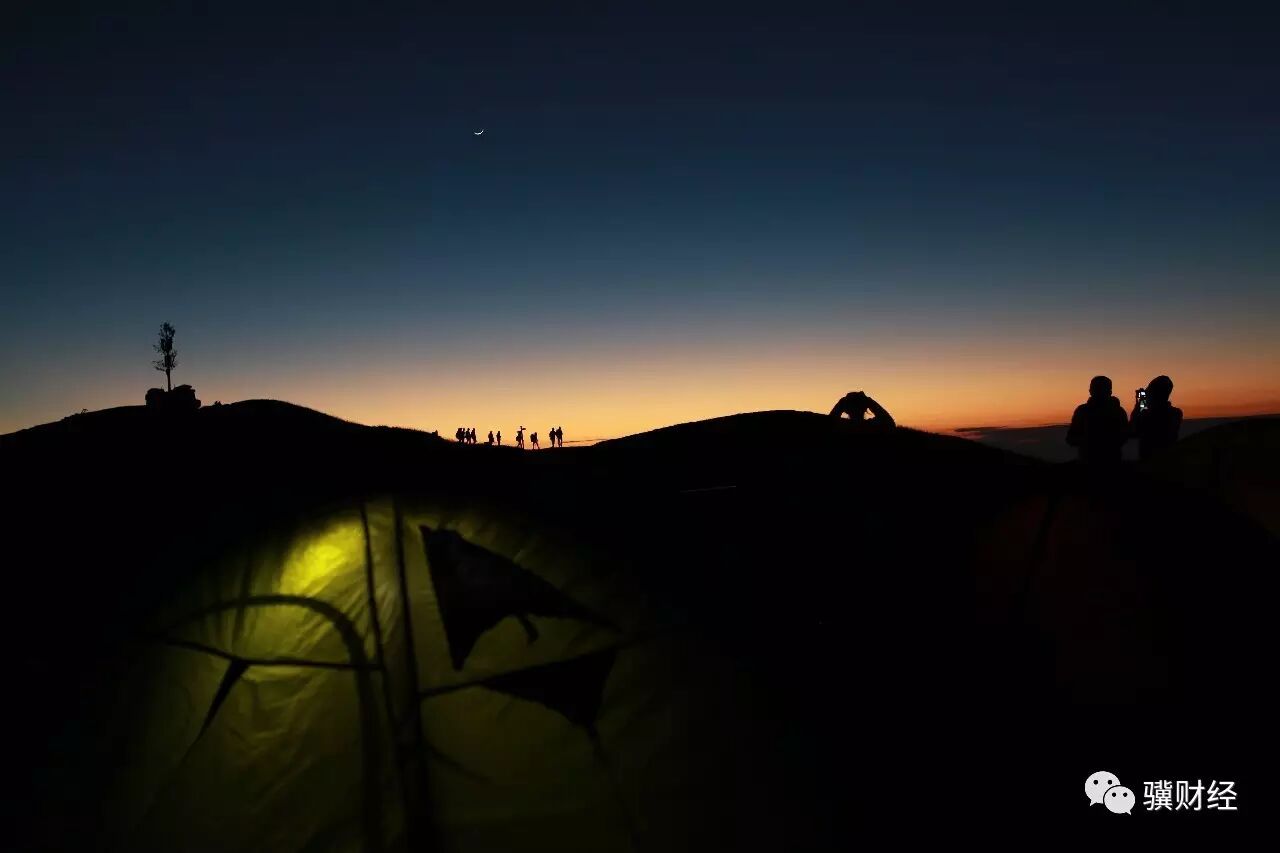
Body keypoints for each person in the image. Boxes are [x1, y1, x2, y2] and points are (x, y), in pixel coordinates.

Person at [1065, 375, 1129, 464]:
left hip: (1096, 462)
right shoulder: (1118, 411)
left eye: (1099, 388)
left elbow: (1071, 438)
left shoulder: (1082, 411)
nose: (1098, 392)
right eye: (1096, 388)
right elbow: (1125, 436)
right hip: (1108, 461)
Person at [1131, 374, 1183, 461]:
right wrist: (1143, 400)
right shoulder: (1176, 413)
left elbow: (1134, 429)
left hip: (1150, 461)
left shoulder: (1147, 414)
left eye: (1149, 390)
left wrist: (1141, 402)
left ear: (1153, 394)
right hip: (1169, 459)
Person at [829, 391, 896, 429]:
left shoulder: (840, 426)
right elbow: (889, 422)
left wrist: (841, 403)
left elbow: (829, 423)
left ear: (846, 409)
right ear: (865, 407)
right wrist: (869, 401)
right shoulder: (871, 426)